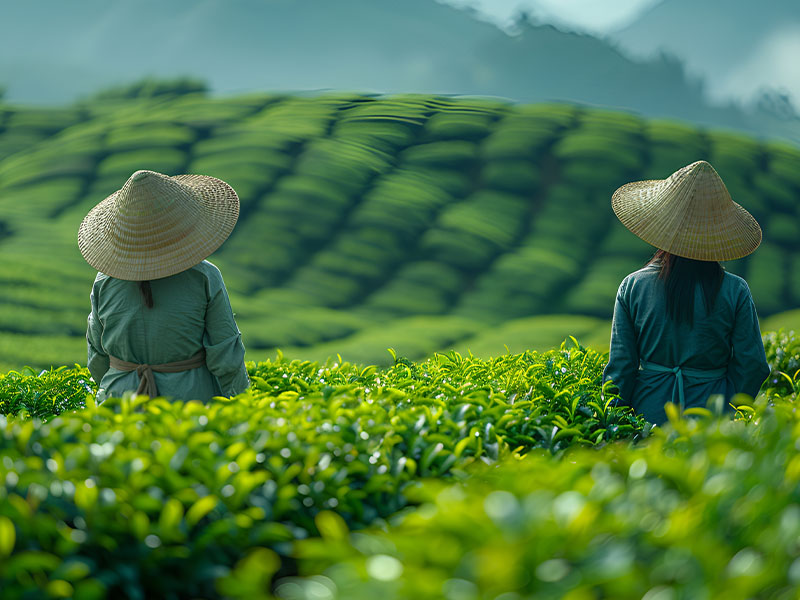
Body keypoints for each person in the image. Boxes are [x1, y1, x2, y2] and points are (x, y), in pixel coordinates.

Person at [603, 160, 770, 425]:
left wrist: (615, 424)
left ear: (662, 223)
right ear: (718, 232)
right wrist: (728, 407)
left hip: (648, 416)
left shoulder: (633, 287)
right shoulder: (735, 291)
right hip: (712, 420)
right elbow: (753, 365)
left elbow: (621, 370)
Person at [79, 169, 250, 403]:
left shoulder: (104, 282)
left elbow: (97, 358)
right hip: (189, 404)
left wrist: (120, 383)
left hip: (120, 404)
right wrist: (242, 405)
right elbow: (226, 356)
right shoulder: (204, 276)